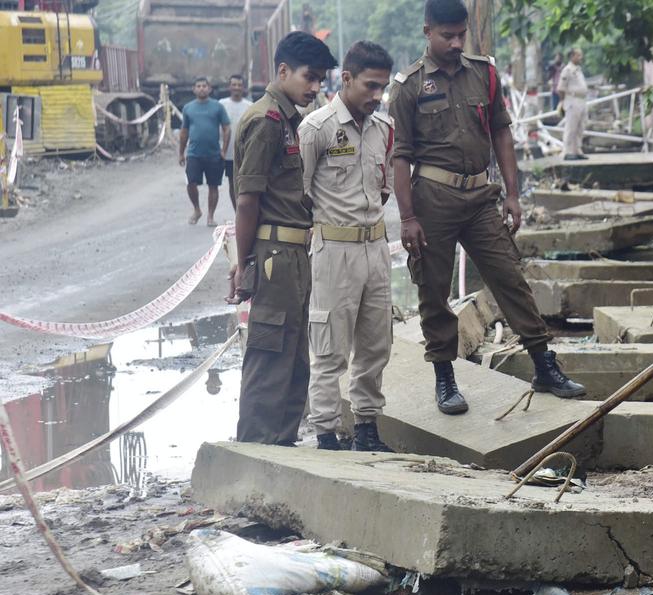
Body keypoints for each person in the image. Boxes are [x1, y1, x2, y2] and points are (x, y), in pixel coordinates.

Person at [389, 0, 586, 415]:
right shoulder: (408, 85)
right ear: (428, 32)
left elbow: (502, 135)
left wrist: (513, 194)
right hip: (433, 200)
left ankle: (543, 365)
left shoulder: (485, 73)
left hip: (481, 197)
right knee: (434, 290)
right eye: (448, 36)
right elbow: (401, 156)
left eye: (461, 34)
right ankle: (445, 377)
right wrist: (407, 218)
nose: (457, 42)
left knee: (509, 277)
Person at [227, 32, 338, 445]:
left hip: (294, 253)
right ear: (283, 71)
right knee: (269, 354)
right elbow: (247, 200)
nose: (315, 87)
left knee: (294, 359)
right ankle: (254, 452)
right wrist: (245, 265)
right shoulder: (266, 120)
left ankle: (282, 448)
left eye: (321, 80)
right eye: (310, 78)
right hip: (274, 254)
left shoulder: (290, 119)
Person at [300, 41, 397, 453]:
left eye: (382, 88)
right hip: (333, 252)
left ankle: (367, 431)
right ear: (346, 79)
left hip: (375, 250)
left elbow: (384, 189)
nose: (376, 96)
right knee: (329, 350)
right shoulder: (316, 129)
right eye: (369, 86)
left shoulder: (384, 129)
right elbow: (301, 194)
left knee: (375, 345)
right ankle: (325, 434)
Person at [179, 76, 230, 227]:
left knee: (213, 185)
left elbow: (227, 128)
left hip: (214, 154)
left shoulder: (217, 107)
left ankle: (210, 216)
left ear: (210, 89)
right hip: (194, 153)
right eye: (198, 86)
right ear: (193, 89)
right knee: (191, 182)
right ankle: (196, 210)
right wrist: (181, 153)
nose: (201, 88)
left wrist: (224, 150)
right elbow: (184, 131)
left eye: (204, 86)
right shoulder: (188, 108)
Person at [219, 73, 253, 211]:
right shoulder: (222, 104)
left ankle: (245, 212)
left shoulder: (250, 106)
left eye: (239, 85)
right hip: (228, 154)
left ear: (243, 88)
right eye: (234, 85)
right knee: (232, 183)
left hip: (246, 153)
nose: (236, 87)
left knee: (245, 184)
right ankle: (237, 213)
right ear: (229, 87)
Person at [556, 49, 588, 160]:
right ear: (572, 56)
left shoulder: (578, 70)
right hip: (572, 100)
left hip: (581, 100)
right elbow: (561, 88)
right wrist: (562, 101)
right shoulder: (567, 70)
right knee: (571, 127)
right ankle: (567, 151)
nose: (580, 57)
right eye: (578, 55)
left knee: (580, 126)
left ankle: (577, 150)